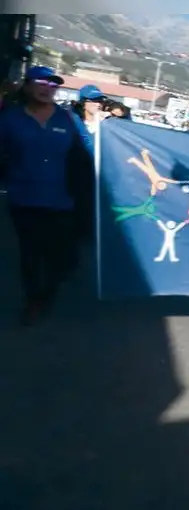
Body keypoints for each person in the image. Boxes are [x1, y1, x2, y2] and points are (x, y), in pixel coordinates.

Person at [0, 66, 92, 326]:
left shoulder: (68, 119)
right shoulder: (10, 119)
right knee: (30, 252)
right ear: (27, 85)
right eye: (40, 82)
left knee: (64, 258)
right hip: (24, 197)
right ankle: (33, 301)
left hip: (63, 199)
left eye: (52, 84)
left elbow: (90, 150)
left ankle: (48, 292)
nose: (47, 88)